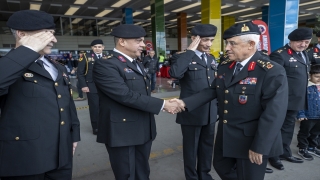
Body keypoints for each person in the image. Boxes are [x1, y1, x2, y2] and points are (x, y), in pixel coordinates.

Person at [171, 21, 288, 180]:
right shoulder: (227, 66)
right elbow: (213, 90)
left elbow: (274, 114)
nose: (226, 48)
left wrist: (260, 147)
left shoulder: (271, 71)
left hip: (252, 140)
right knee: (220, 166)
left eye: (232, 44)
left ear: (251, 44)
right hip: (227, 135)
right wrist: (184, 103)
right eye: (227, 43)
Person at [92, 24, 182, 179]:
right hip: (122, 132)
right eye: (138, 41)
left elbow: (142, 93)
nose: (143, 45)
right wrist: (163, 105)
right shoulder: (106, 64)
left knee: (142, 172)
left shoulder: (137, 63)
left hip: (143, 128)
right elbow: (125, 95)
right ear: (122, 41)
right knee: (127, 174)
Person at [0, 10, 80, 179]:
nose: (54, 39)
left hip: (61, 154)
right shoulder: (8, 65)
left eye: (53, 33)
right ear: (22, 34)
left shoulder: (57, 66)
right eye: (47, 34)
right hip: (27, 159)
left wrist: (74, 135)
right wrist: (28, 50)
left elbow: (67, 103)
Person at [168, 24, 218, 180]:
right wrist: (190, 51)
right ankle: (192, 177)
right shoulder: (182, 57)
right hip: (191, 112)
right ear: (195, 39)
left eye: (211, 40)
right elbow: (175, 73)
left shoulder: (211, 58)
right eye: (205, 40)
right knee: (191, 149)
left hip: (209, 111)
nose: (209, 44)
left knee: (207, 146)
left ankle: (204, 174)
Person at [268, 27, 312, 170]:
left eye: (307, 42)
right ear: (291, 40)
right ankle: (273, 156)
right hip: (282, 100)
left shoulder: (304, 54)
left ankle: (284, 152)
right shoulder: (279, 55)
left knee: (288, 128)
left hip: (296, 99)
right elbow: (273, 80)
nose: (304, 45)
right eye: (300, 41)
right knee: (277, 128)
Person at [77, 39, 104, 135]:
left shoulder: (107, 57)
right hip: (92, 86)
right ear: (92, 48)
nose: (97, 49)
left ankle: (105, 126)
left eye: (99, 47)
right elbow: (80, 73)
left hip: (106, 88)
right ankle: (96, 127)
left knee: (105, 107)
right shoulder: (85, 56)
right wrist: (84, 85)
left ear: (103, 48)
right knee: (95, 108)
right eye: (95, 47)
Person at [296, 64, 320, 160]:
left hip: (319, 116)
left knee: (316, 133)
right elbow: (300, 101)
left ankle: (312, 147)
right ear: (310, 75)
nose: (319, 79)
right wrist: (301, 114)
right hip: (308, 115)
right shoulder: (305, 87)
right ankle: (302, 148)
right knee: (304, 133)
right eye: (316, 76)